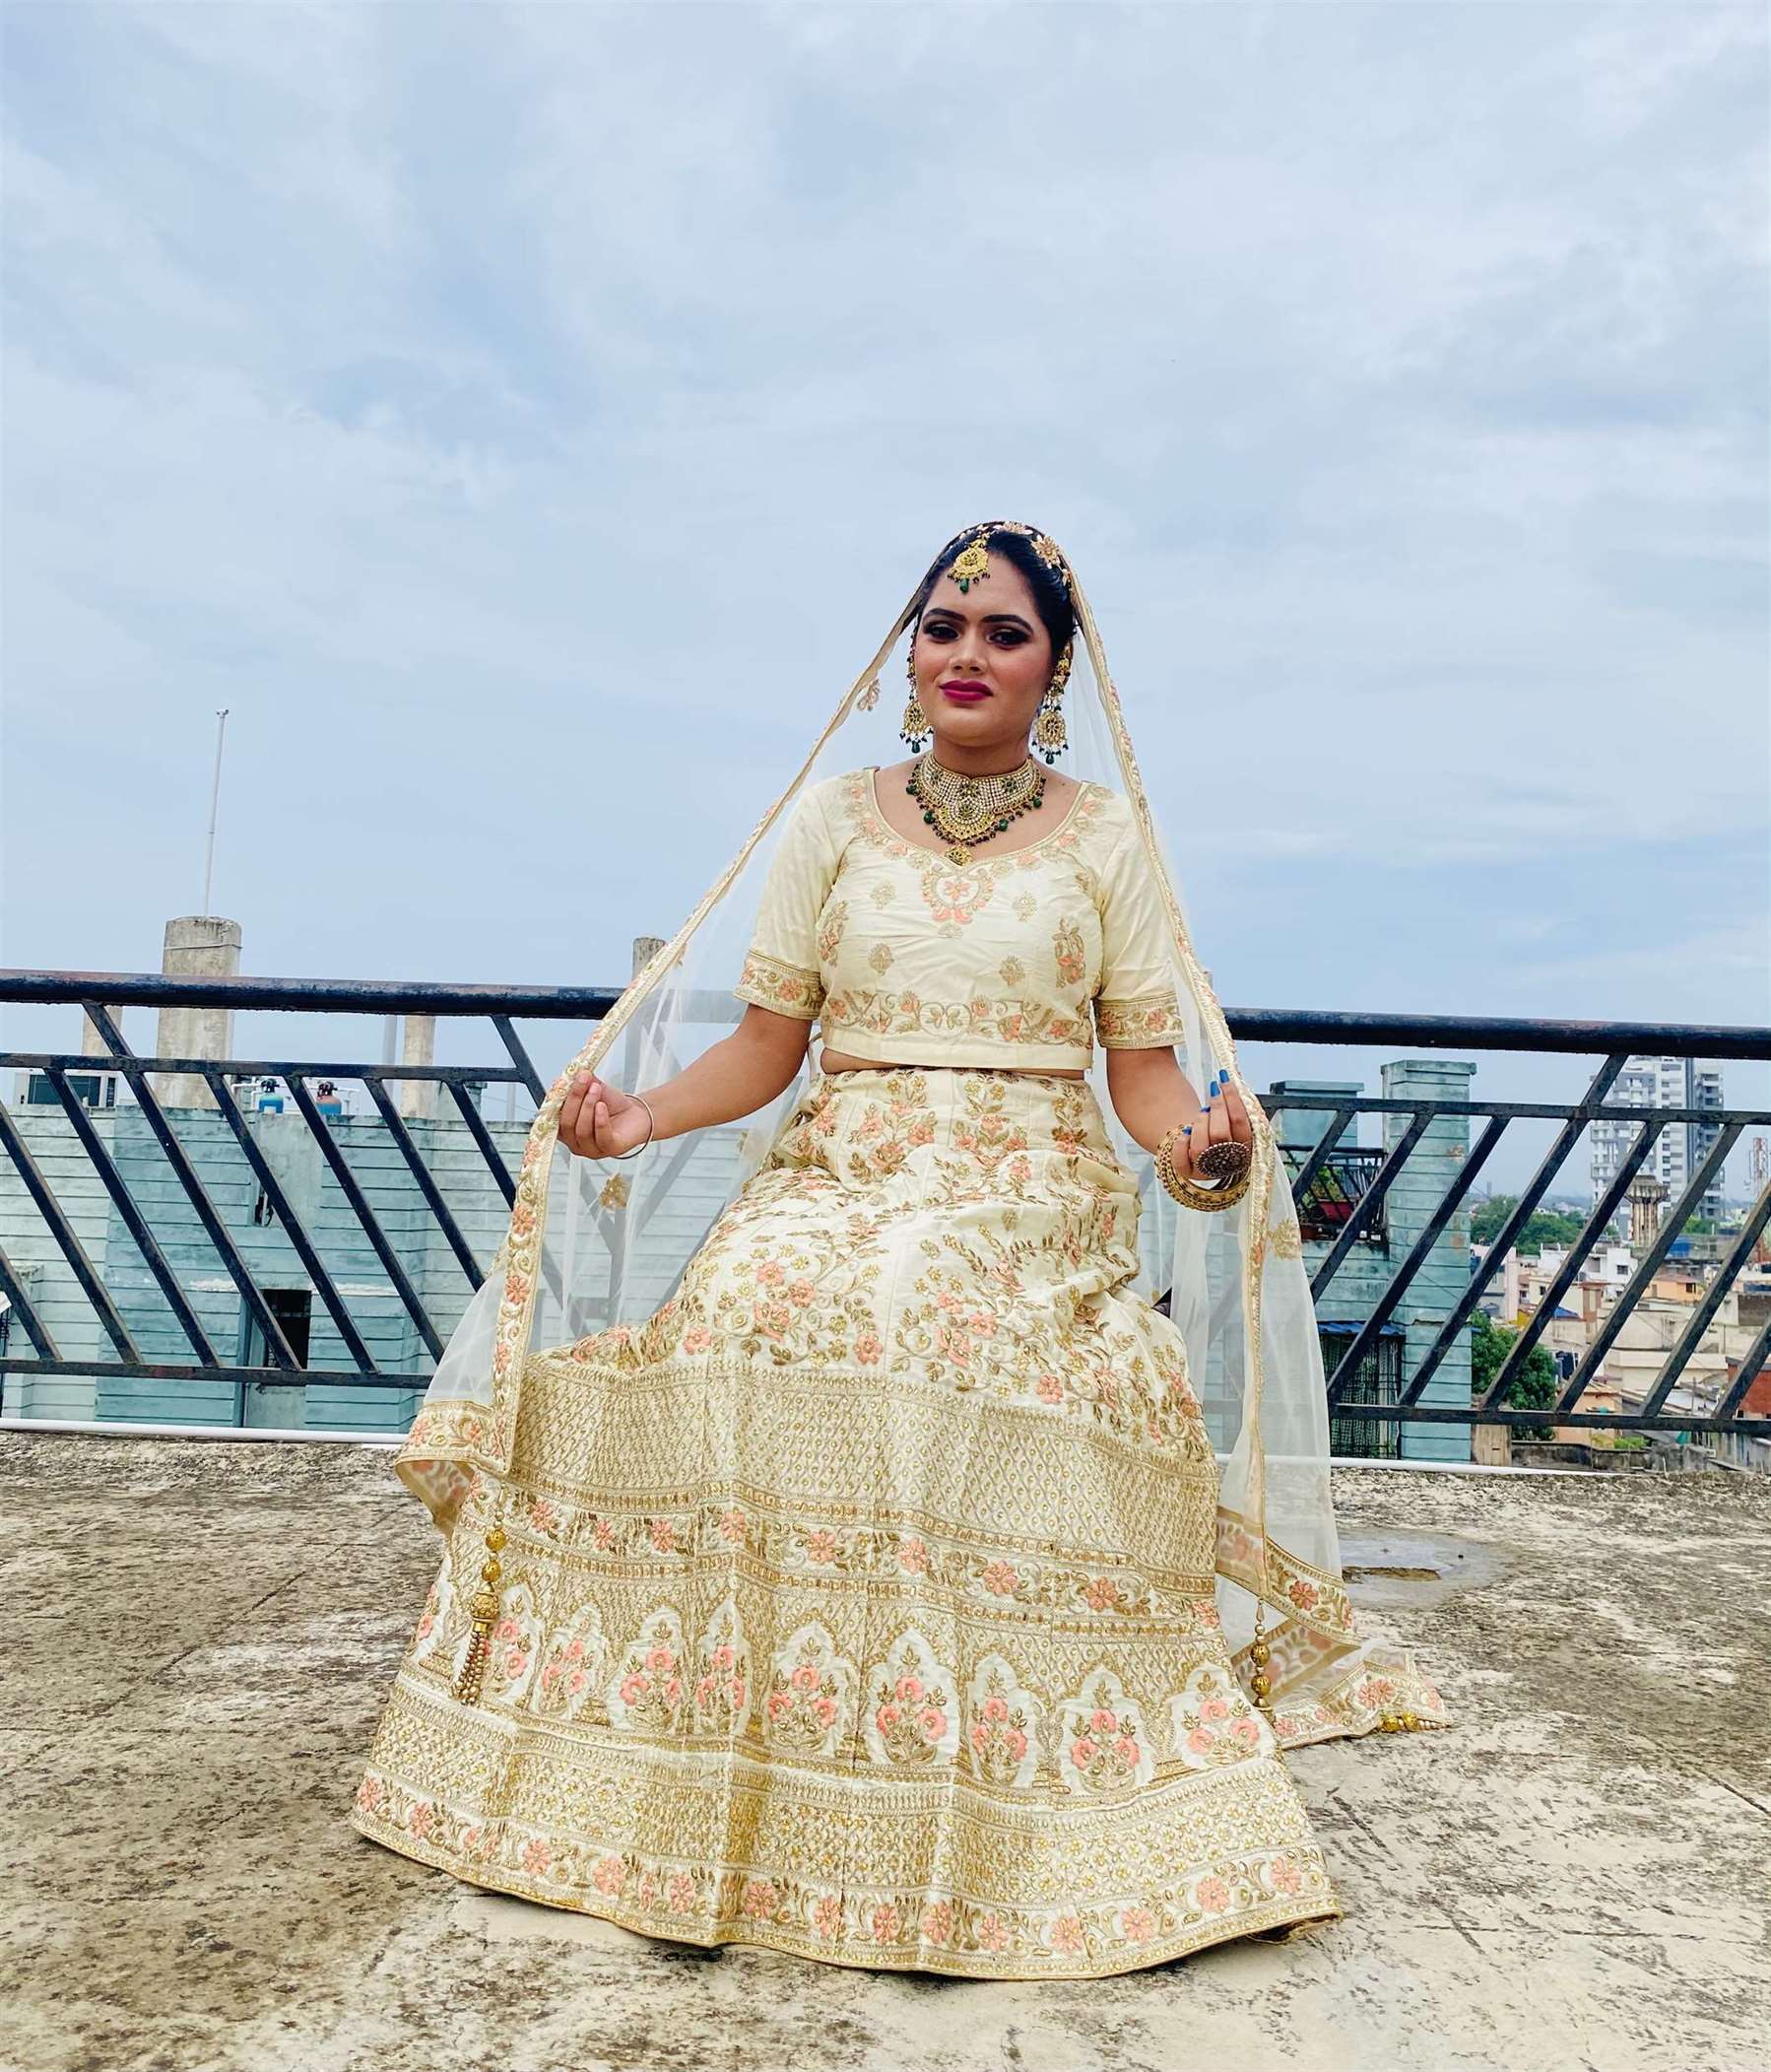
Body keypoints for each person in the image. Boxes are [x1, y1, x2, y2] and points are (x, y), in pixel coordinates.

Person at [351, 521, 1450, 1978]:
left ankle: (943, 1765)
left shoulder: (1105, 837)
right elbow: (767, 1047)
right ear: (906, 652)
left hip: (1027, 1182)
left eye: (1004, 634)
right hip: (844, 1159)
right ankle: (732, 1760)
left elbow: (1140, 1075)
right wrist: (638, 1120)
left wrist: (1199, 1150)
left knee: (910, 1300)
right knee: (750, 1300)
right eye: (943, 627)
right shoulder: (830, 821)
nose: (965, 656)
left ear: (1054, 671)